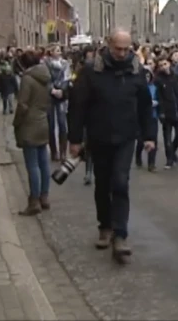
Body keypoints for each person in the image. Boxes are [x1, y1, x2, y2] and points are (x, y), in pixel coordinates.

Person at [67, 29, 156, 263]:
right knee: (102, 184)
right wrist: (75, 139)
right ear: (108, 45)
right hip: (99, 137)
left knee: (120, 181)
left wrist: (149, 135)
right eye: (118, 48)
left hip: (126, 137)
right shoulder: (90, 71)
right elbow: (77, 107)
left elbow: (146, 106)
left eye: (127, 49)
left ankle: (120, 234)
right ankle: (104, 226)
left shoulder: (136, 71)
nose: (122, 53)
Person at [14, 51, 52, 215]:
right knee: (43, 162)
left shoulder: (27, 79)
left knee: (32, 164)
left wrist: (16, 122)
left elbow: (23, 104)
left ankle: (34, 200)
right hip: (43, 121)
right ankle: (44, 196)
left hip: (29, 123)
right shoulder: (46, 77)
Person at [45, 44, 71, 161]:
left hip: (61, 96)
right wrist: (52, 90)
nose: (59, 52)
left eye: (59, 50)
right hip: (50, 96)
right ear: (51, 52)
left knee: (62, 124)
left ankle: (63, 152)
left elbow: (67, 78)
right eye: (56, 50)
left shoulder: (65, 64)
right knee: (50, 124)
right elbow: (45, 79)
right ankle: (54, 151)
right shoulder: (46, 64)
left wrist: (62, 90)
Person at [135, 68, 159, 172]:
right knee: (141, 141)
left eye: (148, 76)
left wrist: (157, 103)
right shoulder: (137, 88)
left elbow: (161, 98)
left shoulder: (154, 88)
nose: (147, 79)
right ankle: (138, 156)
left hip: (153, 116)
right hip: (140, 118)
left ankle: (151, 163)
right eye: (145, 77)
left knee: (153, 140)